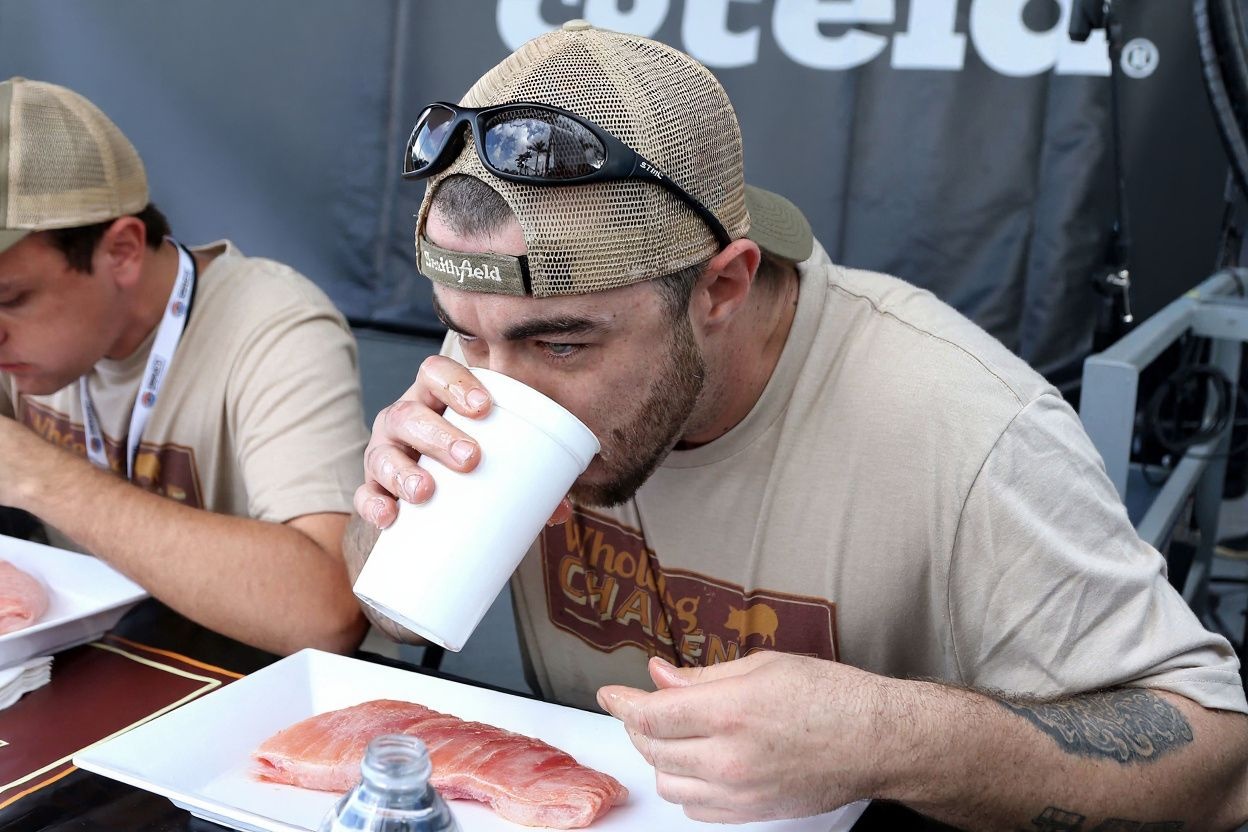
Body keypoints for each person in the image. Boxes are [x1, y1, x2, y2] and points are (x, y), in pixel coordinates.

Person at [345, 22, 1248, 829]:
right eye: (465, 332)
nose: (504, 387)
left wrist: (891, 736)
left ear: (722, 288)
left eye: (563, 345)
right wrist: (391, 515)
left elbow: (1216, 766)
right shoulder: (494, 364)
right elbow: (383, 615)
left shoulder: (964, 424)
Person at [0, 77, 369, 657]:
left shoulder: (274, 326)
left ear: (120, 250)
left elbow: (328, 613)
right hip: (77, 669)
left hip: (251, 692)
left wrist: (35, 475)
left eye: (11, 299)